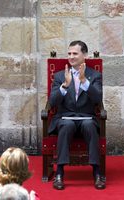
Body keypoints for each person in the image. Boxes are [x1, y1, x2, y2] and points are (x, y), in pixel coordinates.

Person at [48, 40, 105, 190]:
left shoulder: (95, 75)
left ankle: (97, 173)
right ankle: (59, 173)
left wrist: (84, 81)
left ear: (84, 55)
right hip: (65, 117)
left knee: (89, 126)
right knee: (66, 125)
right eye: (69, 53)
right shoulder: (60, 76)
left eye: (75, 53)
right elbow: (52, 102)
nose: (71, 57)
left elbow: (98, 99)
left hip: (87, 117)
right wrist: (65, 86)